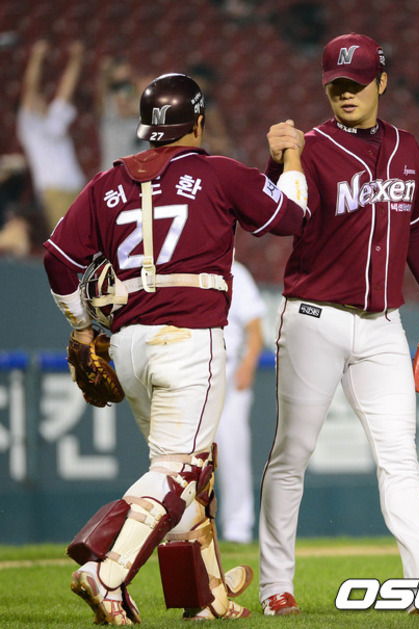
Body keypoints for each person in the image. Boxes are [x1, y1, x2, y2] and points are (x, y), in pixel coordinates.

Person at [43, 72, 308, 625]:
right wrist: (292, 161)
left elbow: (58, 260)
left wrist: (83, 329)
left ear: (147, 127)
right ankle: (106, 571)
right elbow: (289, 218)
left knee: (190, 477)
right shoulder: (219, 172)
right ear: (199, 122)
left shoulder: (107, 183)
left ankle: (205, 599)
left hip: (128, 345)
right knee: (180, 471)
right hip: (188, 339)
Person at [258, 33, 419, 617]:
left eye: (356, 83)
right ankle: (275, 585)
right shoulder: (310, 147)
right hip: (314, 319)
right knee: (292, 454)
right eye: (335, 84)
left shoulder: (407, 146)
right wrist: (277, 162)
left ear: (381, 82)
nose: (345, 93)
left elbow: (417, 226)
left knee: (399, 453)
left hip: (384, 325)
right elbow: (280, 220)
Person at [214, 259, 266, 544]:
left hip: (230, 371)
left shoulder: (234, 271)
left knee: (232, 451)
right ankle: (187, 528)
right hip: (193, 373)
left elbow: (255, 328)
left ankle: (238, 527)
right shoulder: (184, 264)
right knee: (186, 456)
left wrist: (248, 364)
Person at [16, 39, 86, 236]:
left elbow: (66, 89)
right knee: (67, 240)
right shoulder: (29, 125)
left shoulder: (54, 117)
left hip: (77, 186)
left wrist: (76, 59)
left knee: (89, 239)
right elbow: (30, 88)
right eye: (35, 98)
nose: (40, 98)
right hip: (54, 191)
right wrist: (36, 58)